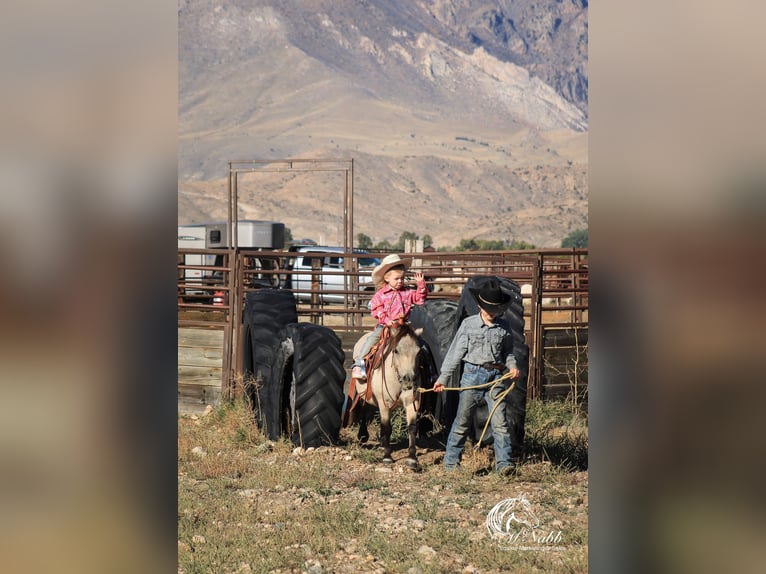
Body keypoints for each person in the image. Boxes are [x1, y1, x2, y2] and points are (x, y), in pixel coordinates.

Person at [433, 279, 520, 475]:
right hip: (472, 376)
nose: (492, 311)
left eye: (495, 308)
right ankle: (451, 463)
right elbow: (455, 353)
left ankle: (504, 464)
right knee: (462, 421)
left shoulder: (504, 327)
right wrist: (443, 379)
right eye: (488, 307)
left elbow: (508, 352)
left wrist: (512, 366)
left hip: (496, 377)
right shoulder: (468, 325)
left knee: (500, 422)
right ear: (480, 305)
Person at [351, 253, 427, 380]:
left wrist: (421, 286)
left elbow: (419, 300)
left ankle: (428, 370)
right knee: (372, 339)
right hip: (386, 325)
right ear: (387, 278)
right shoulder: (380, 295)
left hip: (404, 327)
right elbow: (376, 310)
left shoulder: (407, 292)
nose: (400, 281)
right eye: (396, 278)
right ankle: (359, 364)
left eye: (402, 278)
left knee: (419, 344)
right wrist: (387, 320)